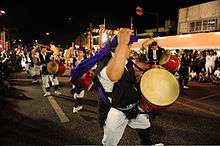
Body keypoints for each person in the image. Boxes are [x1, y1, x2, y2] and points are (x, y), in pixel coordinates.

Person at [95, 28, 160, 146]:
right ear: (118, 49)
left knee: (145, 125)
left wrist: (152, 58)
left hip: (132, 105)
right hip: (116, 110)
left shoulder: (126, 61)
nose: (130, 48)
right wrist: (123, 44)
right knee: (109, 142)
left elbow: (143, 67)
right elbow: (114, 75)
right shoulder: (104, 66)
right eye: (129, 46)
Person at [71, 47, 87, 113]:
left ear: (84, 53)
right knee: (75, 94)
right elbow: (72, 67)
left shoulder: (86, 60)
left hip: (82, 79)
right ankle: (78, 105)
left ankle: (75, 106)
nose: (79, 53)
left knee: (80, 94)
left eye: (81, 52)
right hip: (75, 78)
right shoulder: (75, 59)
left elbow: (88, 69)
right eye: (78, 52)